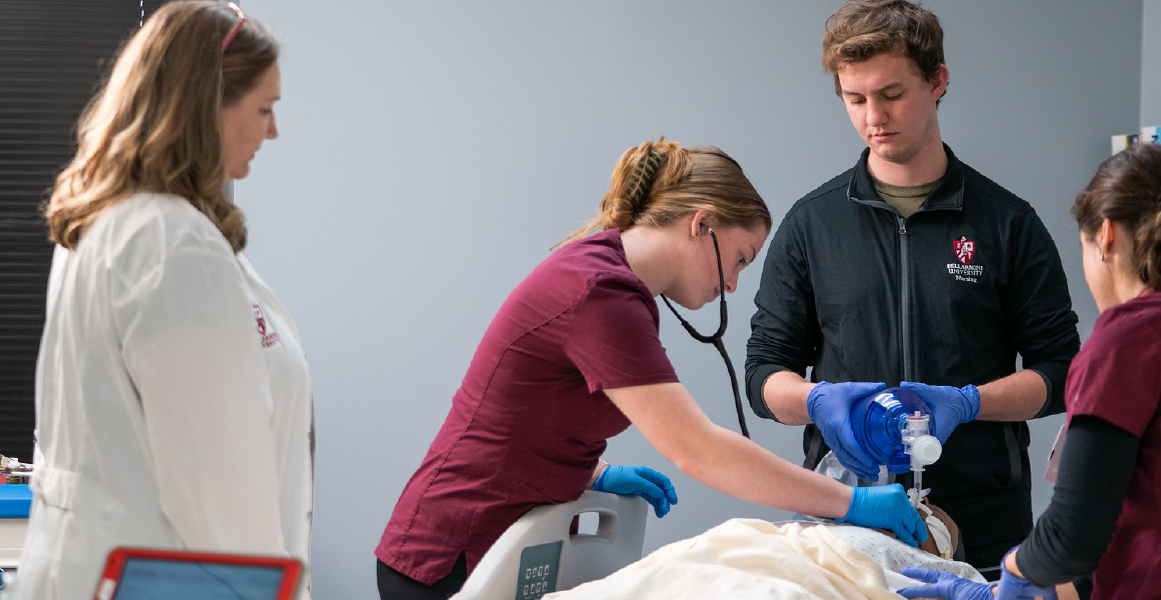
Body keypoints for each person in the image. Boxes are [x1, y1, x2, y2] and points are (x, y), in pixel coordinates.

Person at [374, 139, 927, 600]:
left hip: (494, 537)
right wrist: (853, 502)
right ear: (702, 224)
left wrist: (588, 473)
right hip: (450, 555)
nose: (733, 284)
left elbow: (527, 407)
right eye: (739, 258)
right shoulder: (601, 292)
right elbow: (698, 448)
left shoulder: (609, 278)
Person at [744, 0, 1081, 577]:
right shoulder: (811, 225)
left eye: (892, 93)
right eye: (855, 99)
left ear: (938, 81)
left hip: (983, 516)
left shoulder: (1007, 224)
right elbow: (763, 376)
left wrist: (970, 403)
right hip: (848, 514)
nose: (874, 115)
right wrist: (818, 401)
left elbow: (1061, 374)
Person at [898, 143, 1161, 600]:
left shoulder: (1127, 340)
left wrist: (1014, 570)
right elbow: (1155, 524)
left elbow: (1074, 534)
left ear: (1105, 236)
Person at [16, 3, 310, 599]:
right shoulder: (174, 245)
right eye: (264, 109)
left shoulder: (106, 225)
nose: (272, 132)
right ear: (207, 110)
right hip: (170, 580)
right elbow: (219, 489)